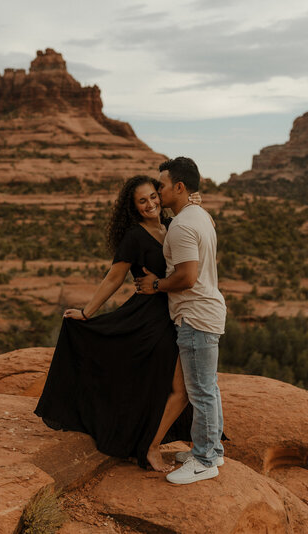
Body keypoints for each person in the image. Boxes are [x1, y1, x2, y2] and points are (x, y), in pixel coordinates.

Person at [34, 175, 195, 472]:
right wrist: (87, 312)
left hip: (178, 312)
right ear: (133, 208)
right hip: (150, 317)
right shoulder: (134, 236)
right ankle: (147, 446)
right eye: (142, 201)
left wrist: (195, 203)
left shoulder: (173, 226)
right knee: (175, 384)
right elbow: (114, 277)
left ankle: (165, 442)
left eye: (153, 197)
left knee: (171, 382)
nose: (150, 204)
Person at [135, 156, 227, 485]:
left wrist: (155, 285)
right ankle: (212, 450)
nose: (157, 193)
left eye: (161, 186)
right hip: (206, 312)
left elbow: (186, 277)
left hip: (194, 315)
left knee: (200, 391)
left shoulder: (183, 225)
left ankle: (204, 461)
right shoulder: (199, 215)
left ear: (179, 186)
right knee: (208, 388)